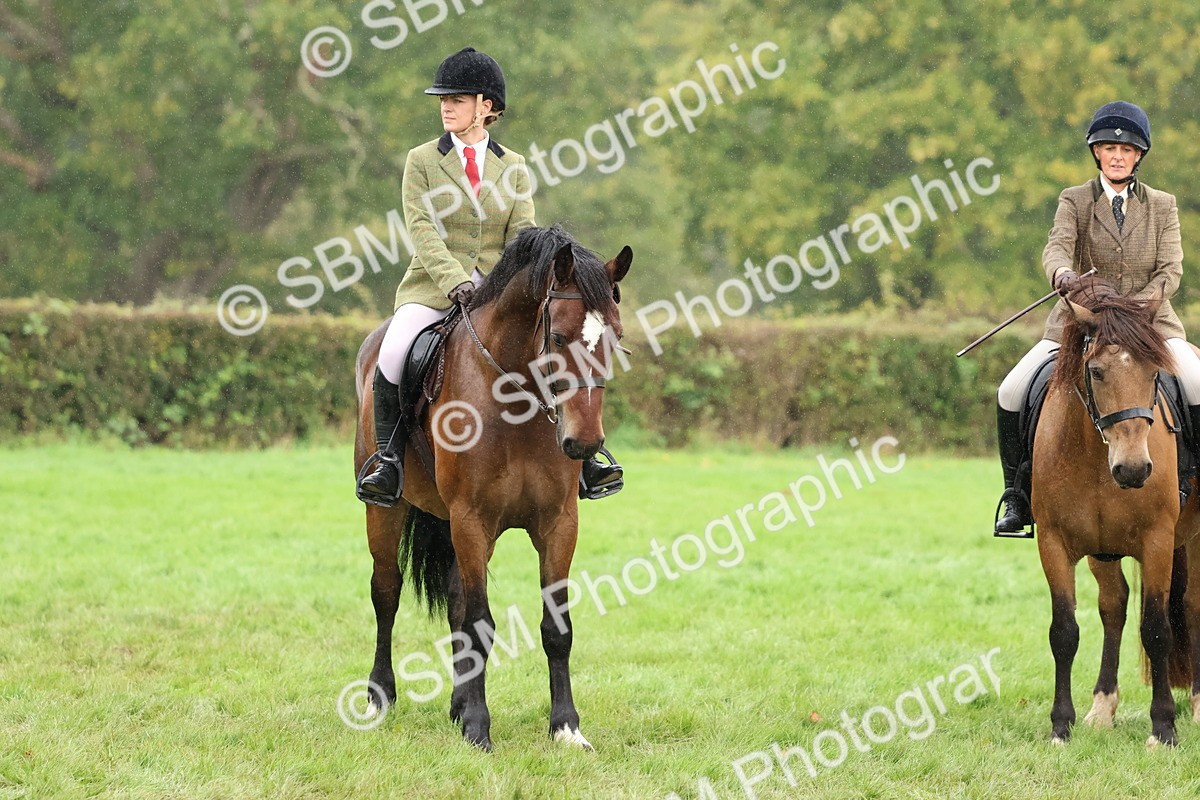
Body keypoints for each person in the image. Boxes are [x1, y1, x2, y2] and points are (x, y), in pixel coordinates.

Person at [357, 47, 624, 507]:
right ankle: (389, 460)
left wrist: (506, 284)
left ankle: (586, 459)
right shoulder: (421, 160)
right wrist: (454, 280)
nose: (445, 106)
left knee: (560, 344)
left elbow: (522, 235)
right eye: (442, 98)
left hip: (499, 291)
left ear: (487, 107)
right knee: (395, 351)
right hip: (433, 287)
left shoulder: (514, 165)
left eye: (457, 98)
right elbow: (421, 230)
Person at [993, 100, 1199, 534]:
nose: (1118, 156)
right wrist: (1062, 274)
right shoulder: (1075, 200)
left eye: (1126, 150)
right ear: (1097, 153)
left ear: (1139, 155)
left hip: (1150, 325)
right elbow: (1055, 248)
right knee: (1011, 389)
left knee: (1197, 381)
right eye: (1108, 148)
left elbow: (1171, 270)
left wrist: (1134, 309)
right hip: (1080, 322)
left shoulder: (1163, 205)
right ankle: (1017, 494)